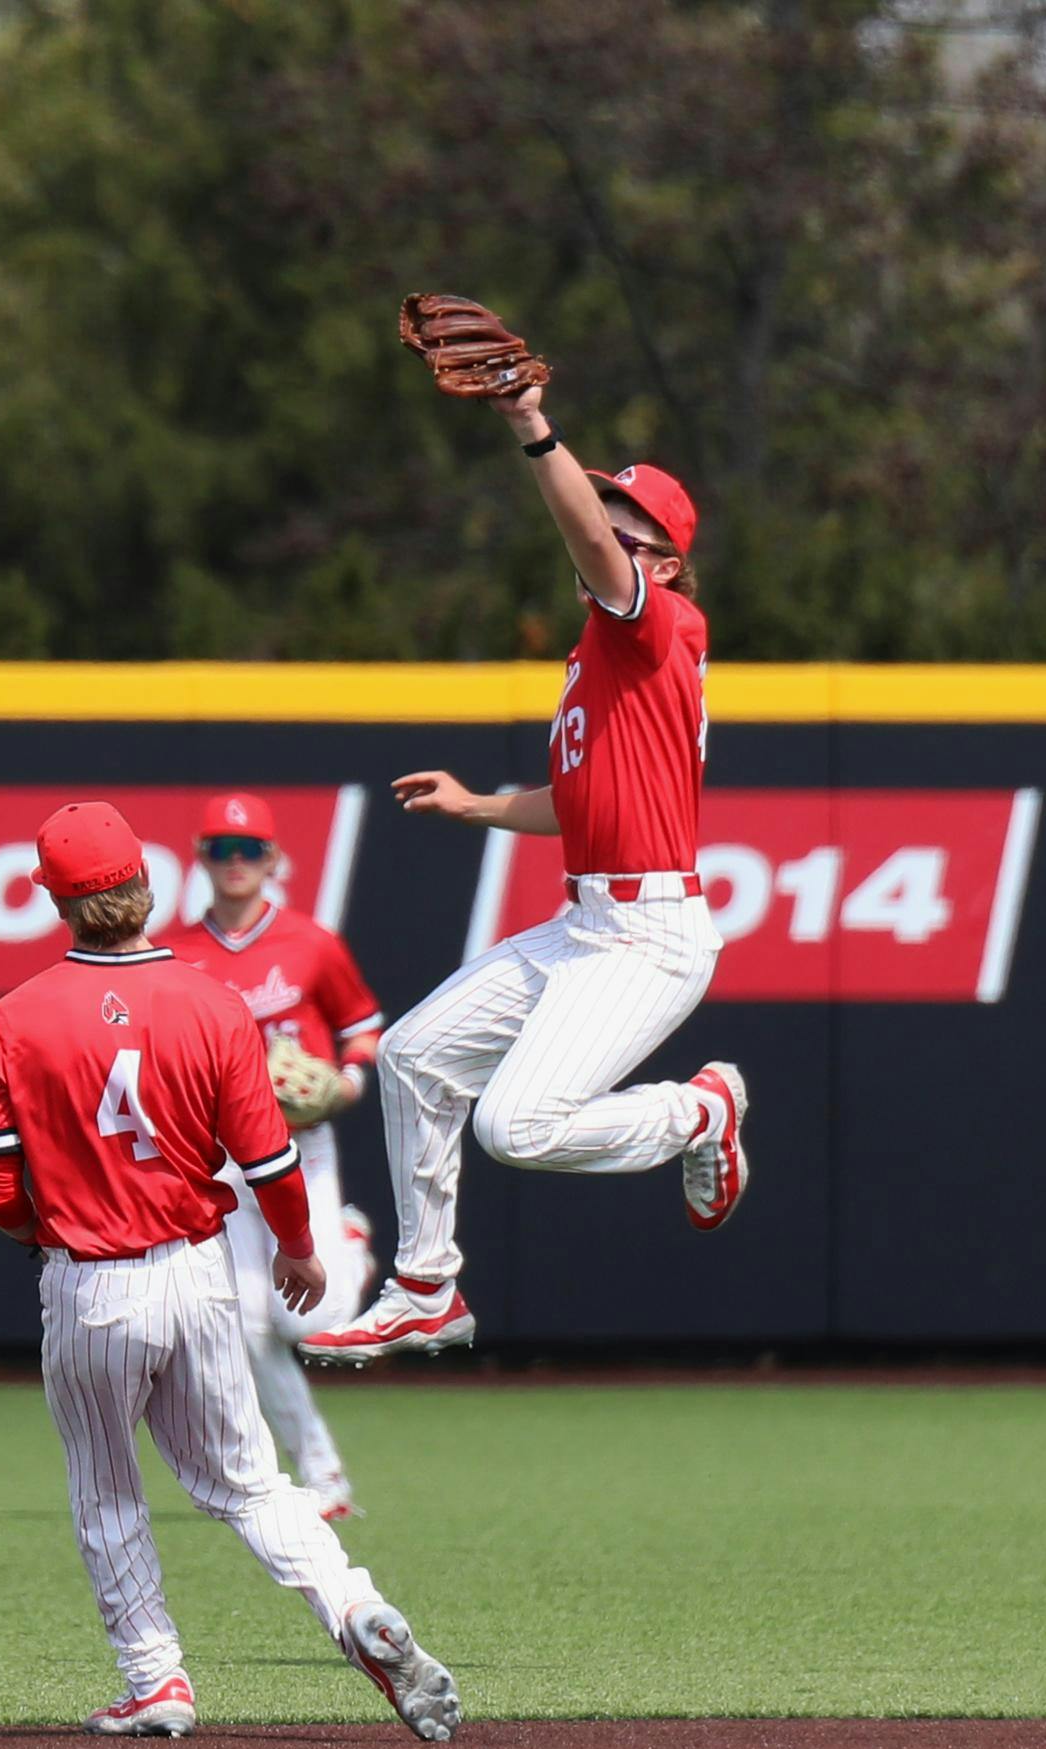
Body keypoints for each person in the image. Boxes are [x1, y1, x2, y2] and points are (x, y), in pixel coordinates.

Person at [0, 800, 461, 1741]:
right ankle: (353, 1605)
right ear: (145, 889)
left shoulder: (16, 1016)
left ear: (60, 904)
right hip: (199, 1272)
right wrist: (301, 1246)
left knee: (108, 1488)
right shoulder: (213, 999)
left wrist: (47, 1230)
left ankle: (157, 1681)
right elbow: (271, 1159)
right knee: (249, 1485)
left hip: (92, 1281)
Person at [300, 382, 749, 1366]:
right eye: (608, 517)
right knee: (415, 1057)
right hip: (583, 926)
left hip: (649, 934)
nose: (607, 539)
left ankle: (696, 1112)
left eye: (630, 532)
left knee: (514, 1124)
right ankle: (425, 1285)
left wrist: (529, 427)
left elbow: (589, 546)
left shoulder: (661, 624)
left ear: (667, 565)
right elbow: (578, 801)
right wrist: (477, 805)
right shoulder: (599, 652)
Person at [172, 791, 383, 1521]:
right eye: (222, 850)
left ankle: (348, 1244)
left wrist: (350, 1081)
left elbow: (362, 1025)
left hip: (302, 1145)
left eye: (249, 850)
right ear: (201, 859)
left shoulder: (310, 943)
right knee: (246, 1326)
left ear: (272, 860)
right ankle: (322, 1477)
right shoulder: (179, 955)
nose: (236, 863)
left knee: (312, 1324)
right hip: (223, 1156)